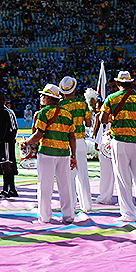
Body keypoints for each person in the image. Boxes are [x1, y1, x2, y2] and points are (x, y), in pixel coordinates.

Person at [99, 71, 136, 223]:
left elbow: (104, 120)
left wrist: (109, 115)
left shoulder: (111, 98)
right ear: (131, 83)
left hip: (120, 141)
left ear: (117, 84)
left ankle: (129, 214)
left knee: (123, 178)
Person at [23, 83, 77, 225]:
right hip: (64, 154)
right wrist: (73, 155)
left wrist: (26, 143)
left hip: (47, 153)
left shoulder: (43, 113)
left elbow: (38, 134)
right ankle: (68, 216)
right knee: (65, 186)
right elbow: (72, 136)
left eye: (43, 95)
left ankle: (45, 217)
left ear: (48, 98)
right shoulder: (67, 114)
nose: (41, 97)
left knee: (45, 186)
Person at [58, 76, 91, 213]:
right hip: (80, 140)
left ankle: (70, 206)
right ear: (74, 88)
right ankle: (87, 206)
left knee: (68, 175)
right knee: (83, 173)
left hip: (66, 142)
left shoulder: (60, 105)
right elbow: (88, 123)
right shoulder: (82, 103)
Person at [0, 94, 19, 198]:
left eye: (3, 99)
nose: (1, 102)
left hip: (6, 142)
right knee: (4, 165)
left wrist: (10, 140)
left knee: (7, 164)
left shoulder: (9, 112)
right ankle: (10, 189)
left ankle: (7, 189)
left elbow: (14, 128)